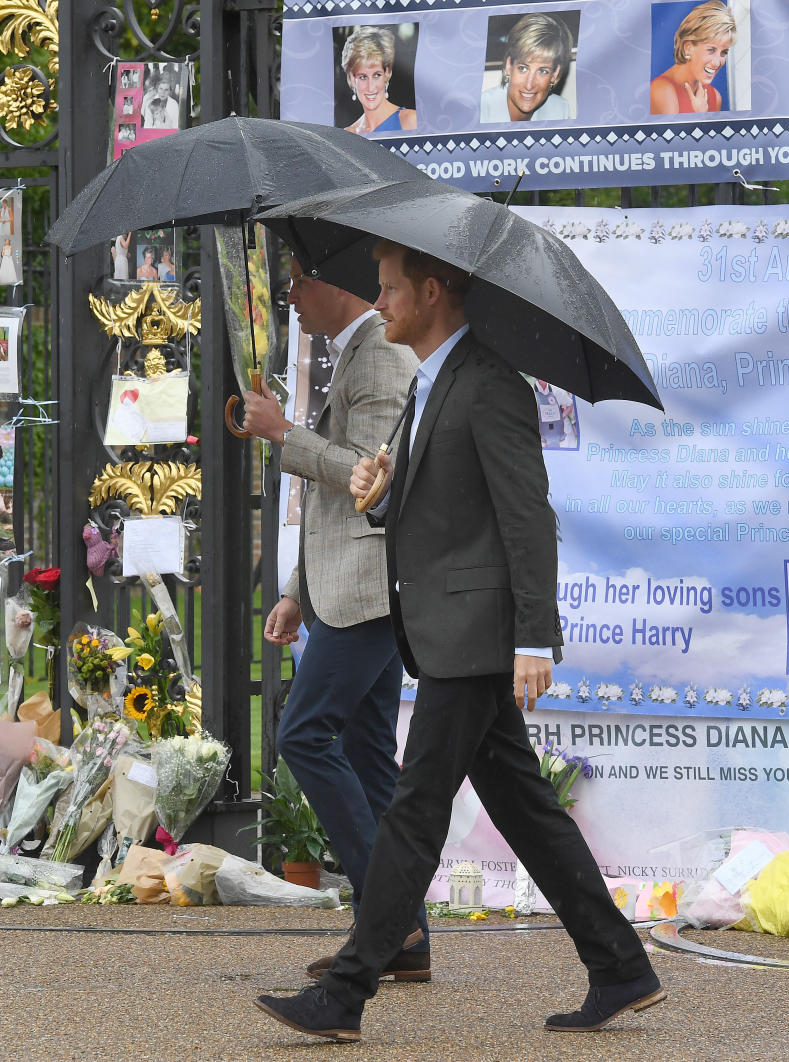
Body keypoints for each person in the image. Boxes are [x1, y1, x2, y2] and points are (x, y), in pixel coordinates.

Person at [255, 241, 663, 1042]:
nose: (379, 300)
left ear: (433, 291)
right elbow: (439, 509)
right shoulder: (429, 383)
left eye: (390, 288)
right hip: (447, 635)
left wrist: (535, 639)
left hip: (475, 641)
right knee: (525, 809)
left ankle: (344, 996)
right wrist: (379, 495)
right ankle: (621, 965)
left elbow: (527, 517)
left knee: (413, 813)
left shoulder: (489, 385)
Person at [240, 258, 427, 977]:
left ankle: (385, 922)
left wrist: (281, 430)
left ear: (334, 283)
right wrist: (296, 588)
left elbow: (366, 474)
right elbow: (334, 501)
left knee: (305, 734)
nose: (289, 295)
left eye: (298, 280)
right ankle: (404, 939)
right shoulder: (356, 348)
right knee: (369, 753)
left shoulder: (378, 349)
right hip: (348, 586)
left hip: (371, 589)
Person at [481, 13, 574, 123]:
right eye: (523, 68)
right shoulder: (481, 109)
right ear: (509, 66)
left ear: (555, 74)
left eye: (542, 71)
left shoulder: (559, 110)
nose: (529, 85)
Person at [650, 1, 736, 115]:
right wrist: (699, 113)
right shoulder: (662, 91)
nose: (716, 63)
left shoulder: (715, 96)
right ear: (688, 48)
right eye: (711, 50)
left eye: (724, 52)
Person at [340, 27, 417, 135]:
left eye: (376, 75)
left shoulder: (410, 121)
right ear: (352, 79)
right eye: (363, 77)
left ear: (387, 74)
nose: (371, 87)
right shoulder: (346, 135)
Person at [532, 378, 576, 449]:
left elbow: (570, 404)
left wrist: (563, 416)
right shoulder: (531, 391)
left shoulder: (557, 390)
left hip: (561, 434)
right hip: (541, 437)